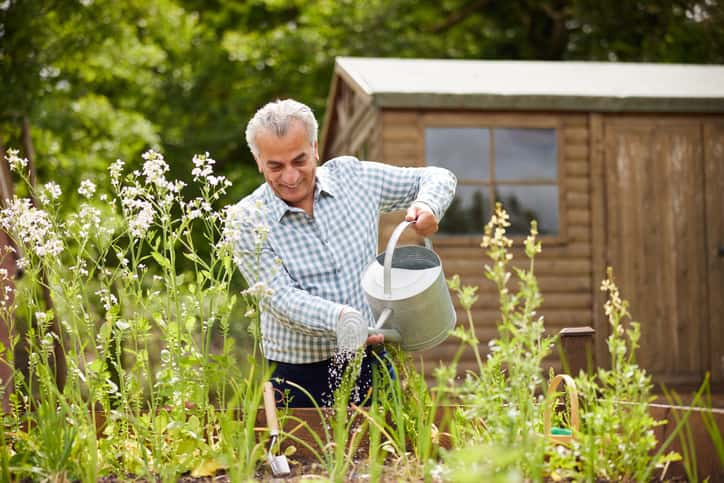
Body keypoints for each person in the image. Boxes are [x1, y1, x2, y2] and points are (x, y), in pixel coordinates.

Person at [228, 99, 456, 407]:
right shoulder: (247, 219)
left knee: (389, 454)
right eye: (276, 166)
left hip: (369, 361)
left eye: (300, 160)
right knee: (303, 457)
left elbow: (437, 177)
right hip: (298, 377)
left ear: (315, 148)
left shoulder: (354, 179)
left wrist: (428, 206)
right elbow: (279, 299)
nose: (291, 177)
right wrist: (344, 319)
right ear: (258, 161)